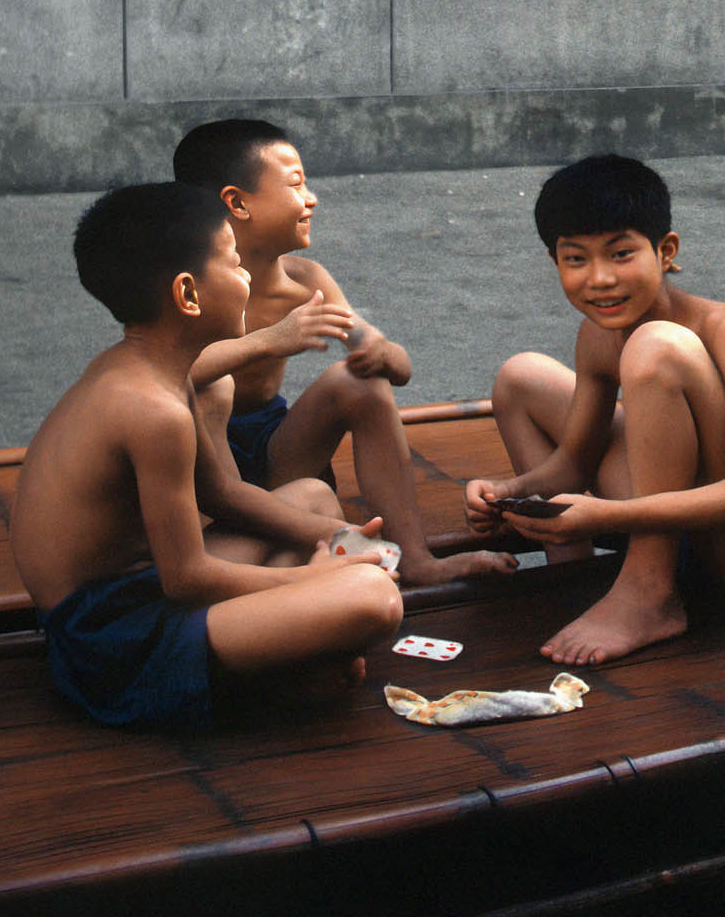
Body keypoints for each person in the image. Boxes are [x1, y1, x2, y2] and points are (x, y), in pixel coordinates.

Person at [9, 182, 402, 728]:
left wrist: (338, 541)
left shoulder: (155, 370)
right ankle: (270, 675)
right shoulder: (152, 410)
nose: (247, 277)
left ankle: (285, 658)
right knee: (372, 599)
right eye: (234, 263)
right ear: (188, 295)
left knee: (313, 500)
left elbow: (223, 495)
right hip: (109, 643)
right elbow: (186, 580)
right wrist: (315, 578)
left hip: (138, 595)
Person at [463, 154, 725, 668]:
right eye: (576, 259)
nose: (599, 279)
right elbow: (574, 462)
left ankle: (649, 591)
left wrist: (612, 515)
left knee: (654, 346)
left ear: (665, 252)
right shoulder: (596, 335)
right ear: (555, 260)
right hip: (697, 520)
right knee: (521, 377)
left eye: (620, 254)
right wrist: (509, 493)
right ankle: (572, 570)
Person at [173, 118, 510, 591]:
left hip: (274, 448)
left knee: (358, 384)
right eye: (295, 184)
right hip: (198, 467)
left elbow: (398, 368)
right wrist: (270, 340)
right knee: (209, 388)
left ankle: (414, 557)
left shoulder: (306, 281)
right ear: (236, 202)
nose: (310, 197)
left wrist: (379, 354)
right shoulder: (189, 286)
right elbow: (164, 373)